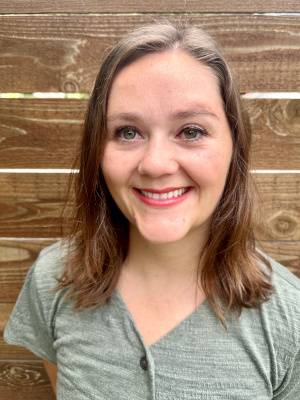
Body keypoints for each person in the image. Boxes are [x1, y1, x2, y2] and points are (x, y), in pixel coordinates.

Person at [4, 20, 300, 400]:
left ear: (234, 146)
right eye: (128, 132)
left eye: (191, 131)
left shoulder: (289, 320)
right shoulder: (53, 280)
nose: (156, 164)